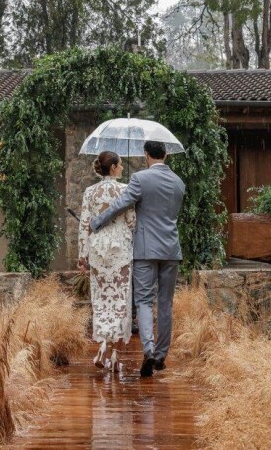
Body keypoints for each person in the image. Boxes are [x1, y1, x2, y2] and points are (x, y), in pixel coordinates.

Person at [90, 141, 185, 378]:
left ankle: (149, 349)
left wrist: (97, 222)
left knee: (143, 301)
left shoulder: (140, 179)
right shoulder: (179, 183)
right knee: (165, 304)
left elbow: (122, 204)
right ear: (165, 155)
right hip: (171, 250)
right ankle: (161, 356)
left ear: (146, 156)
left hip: (145, 251)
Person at [78, 151, 136, 373]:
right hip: (120, 248)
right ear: (112, 167)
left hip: (98, 250)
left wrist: (82, 256)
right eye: (120, 165)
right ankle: (114, 353)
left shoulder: (90, 192)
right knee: (120, 301)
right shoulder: (125, 190)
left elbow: (85, 224)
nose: (122, 168)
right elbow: (131, 221)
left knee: (102, 301)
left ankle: (103, 344)